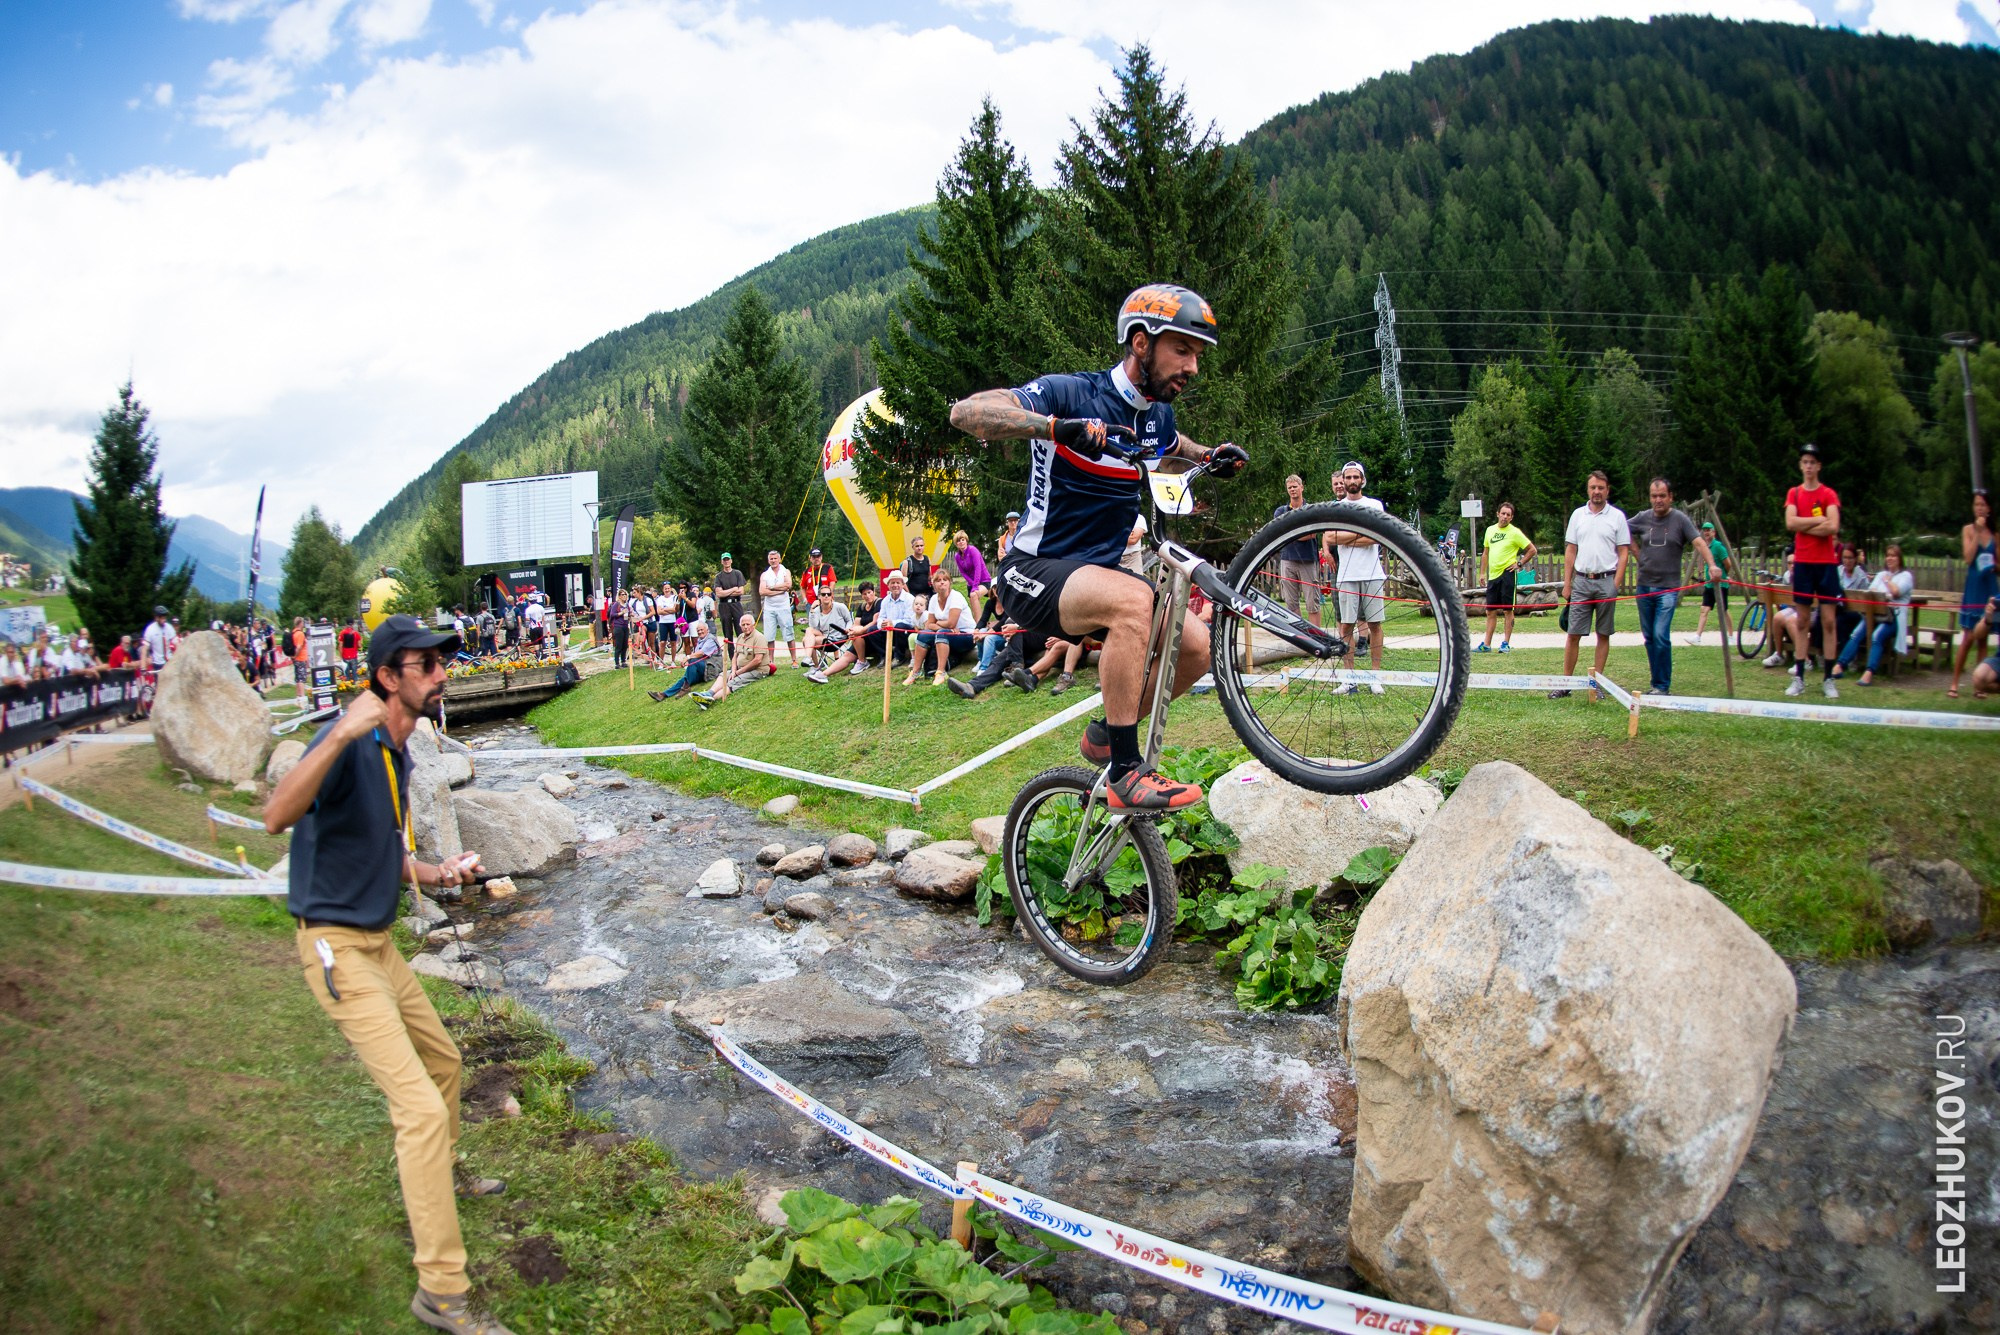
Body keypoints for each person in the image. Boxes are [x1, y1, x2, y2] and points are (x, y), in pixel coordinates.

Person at [262, 615, 514, 1335]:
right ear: (386, 676)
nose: (442, 672)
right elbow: (276, 815)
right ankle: (442, 1295)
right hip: (336, 947)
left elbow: (380, 850)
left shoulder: (396, 756)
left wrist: (437, 871)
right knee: (419, 1109)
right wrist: (340, 731)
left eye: (444, 660)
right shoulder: (348, 743)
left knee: (445, 1061)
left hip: (379, 944)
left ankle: (445, 1173)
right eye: (426, 662)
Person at [951, 282, 1246, 811]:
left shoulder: (1158, 416)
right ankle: (1125, 773)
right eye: (1183, 350)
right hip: (1034, 571)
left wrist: (1210, 455)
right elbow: (968, 413)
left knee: (1198, 647)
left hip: (1096, 578)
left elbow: (1169, 448)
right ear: (1140, 343)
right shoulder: (1070, 392)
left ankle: (1108, 736)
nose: (1193, 367)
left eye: (1198, 355)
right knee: (1135, 602)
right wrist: (1054, 428)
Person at [1626, 477, 1712, 696]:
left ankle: (1662, 686)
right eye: (1654, 496)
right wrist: (1636, 552)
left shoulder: (1680, 520)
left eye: (1662, 496)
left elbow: (1699, 542)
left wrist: (1712, 565)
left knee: (1661, 635)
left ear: (1670, 497)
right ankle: (1657, 682)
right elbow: (1621, 529)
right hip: (1644, 587)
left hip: (1668, 589)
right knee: (1649, 637)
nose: (1658, 500)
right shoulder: (1643, 518)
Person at [1551, 470, 1632, 700]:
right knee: (1573, 633)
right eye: (1593, 487)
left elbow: (1623, 552)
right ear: (1588, 490)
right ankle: (1566, 684)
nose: (1597, 492)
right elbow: (1570, 550)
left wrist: (1615, 583)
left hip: (1606, 580)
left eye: (1601, 488)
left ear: (1607, 490)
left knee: (1603, 634)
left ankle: (1596, 684)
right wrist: (1567, 584)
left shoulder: (1617, 517)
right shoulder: (1578, 515)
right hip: (1582, 582)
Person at [1783, 443, 1843, 699]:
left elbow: (1833, 527)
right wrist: (1817, 521)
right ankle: (1799, 676)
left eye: (1812, 462)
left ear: (1818, 466)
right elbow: (1790, 522)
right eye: (1805, 462)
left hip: (1826, 563)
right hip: (1804, 563)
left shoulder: (1828, 494)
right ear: (1801, 465)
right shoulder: (1794, 494)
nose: (1808, 466)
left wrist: (1805, 527)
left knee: (1829, 621)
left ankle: (1829, 678)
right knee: (1802, 620)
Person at [1327, 461, 1387, 693]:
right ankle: (1348, 678)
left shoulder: (1374, 505)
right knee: (1346, 627)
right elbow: (1330, 538)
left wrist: (1347, 536)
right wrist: (1361, 533)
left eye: (1355, 477)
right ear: (1343, 480)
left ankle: (1375, 677)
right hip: (1347, 575)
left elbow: (1378, 536)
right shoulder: (1336, 507)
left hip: (1371, 573)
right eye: (1348, 477)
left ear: (1362, 479)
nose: (1351, 481)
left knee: (1375, 625)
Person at [817, 570, 918, 679]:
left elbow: (910, 621)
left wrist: (891, 623)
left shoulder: (908, 599)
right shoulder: (882, 601)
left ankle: (898, 657)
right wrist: (881, 624)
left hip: (902, 631)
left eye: (898, 583)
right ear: (888, 585)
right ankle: (882, 656)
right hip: (877, 633)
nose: (895, 585)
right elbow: (879, 619)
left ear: (903, 584)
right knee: (870, 632)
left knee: (898, 627)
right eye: (892, 583)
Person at [1838, 545, 1915, 686]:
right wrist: (1884, 592)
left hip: (1894, 618)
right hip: (1875, 614)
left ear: (1899, 559)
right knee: (1856, 633)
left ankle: (1869, 672)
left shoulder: (1906, 576)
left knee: (1876, 636)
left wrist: (1886, 582)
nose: (1890, 558)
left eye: (1893, 556)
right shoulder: (1880, 574)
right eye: (1888, 555)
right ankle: (1840, 665)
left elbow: (1896, 592)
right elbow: (1872, 591)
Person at [1948, 490, 1995, 700]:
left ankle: (1979, 686)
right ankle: (1955, 683)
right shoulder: (1967, 530)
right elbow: (1967, 558)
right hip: (1973, 587)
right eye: (1977, 505)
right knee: (1968, 637)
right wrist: (1977, 531)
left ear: (1989, 509)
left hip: (1990, 586)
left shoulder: (1996, 534)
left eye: (1983, 505)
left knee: (1983, 639)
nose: (1980, 508)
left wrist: (1994, 566)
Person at [1475, 500, 1536, 653]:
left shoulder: (1515, 532)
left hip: (1507, 574)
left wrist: (1520, 563)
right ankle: (1486, 644)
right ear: (1497, 514)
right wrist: (1482, 572)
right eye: (1503, 513)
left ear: (1511, 517)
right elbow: (1486, 553)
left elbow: (1532, 550)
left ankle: (1505, 643)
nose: (1505, 517)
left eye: (1508, 515)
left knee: (1508, 610)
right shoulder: (1490, 530)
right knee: (1490, 610)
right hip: (1493, 575)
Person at [909, 565, 976, 686]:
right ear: (933, 584)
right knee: (923, 634)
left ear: (950, 582)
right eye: (938, 580)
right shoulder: (934, 599)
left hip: (966, 634)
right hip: (950, 632)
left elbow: (951, 623)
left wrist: (939, 624)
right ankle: (916, 671)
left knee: (942, 633)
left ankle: (941, 672)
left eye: (945, 580)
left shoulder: (956, 597)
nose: (942, 583)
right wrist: (941, 625)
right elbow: (929, 624)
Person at [696, 614, 772, 709]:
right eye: (743, 625)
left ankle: (710, 700)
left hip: (757, 671)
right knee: (723, 675)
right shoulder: (740, 637)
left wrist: (738, 672)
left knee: (734, 681)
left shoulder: (759, 637)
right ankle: (709, 693)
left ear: (753, 624)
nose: (745, 627)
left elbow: (757, 660)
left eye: (748, 624)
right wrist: (733, 670)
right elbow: (735, 656)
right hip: (739, 669)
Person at [1274, 474, 1321, 626]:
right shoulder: (1281, 511)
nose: (1293, 490)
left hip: (1308, 560)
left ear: (1302, 488)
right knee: (1291, 603)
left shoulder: (1311, 509)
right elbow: (1279, 532)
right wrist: (1298, 533)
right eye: (1290, 488)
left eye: (1295, 486)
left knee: (1312, 602)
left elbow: (1312, 534)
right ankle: (1300, 637)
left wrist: (1290, 534)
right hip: (1287, 560)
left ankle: (1318, 637)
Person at [1685, 521, 1734, 644]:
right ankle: (1698, 636)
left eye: (1708, 530)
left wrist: (1723, 574)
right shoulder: (1706, 546)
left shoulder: (1718, 546)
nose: (1706, 532)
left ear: (1714, 532)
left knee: (1724, 610)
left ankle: (1731, 636)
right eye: (1704, 530)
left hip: (1720, 584)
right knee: (1704, 609)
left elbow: (1728, 563)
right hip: (1709, 584)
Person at [649, 620, 722, 700]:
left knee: (692, 660)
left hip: (711, 670)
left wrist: (687, 657)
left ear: (707, 630)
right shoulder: (700, 640)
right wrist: (689, 659)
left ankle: (685, 688)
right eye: (698, 630)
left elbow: (701, 653)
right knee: (685, 678)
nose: (700, 632)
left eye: (702, 630)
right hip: (702, 670)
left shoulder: (710, 639)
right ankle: (664, 694)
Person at [758, 550, 800, 667]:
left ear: (779, 559)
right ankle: (771, 661)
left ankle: (794, 660)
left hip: (784, 607)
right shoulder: (765, 574)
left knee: (788, 633)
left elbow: (788, 585)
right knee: (769, 635)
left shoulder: (785, 571)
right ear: (768, 560)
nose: (773, 561)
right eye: (771, 559)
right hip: (769, 609)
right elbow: (762, 591)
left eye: (775, 558)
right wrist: (780, 591)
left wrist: (771, 588)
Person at [802, 588, 852, 671]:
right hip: (824, 636)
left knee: (805, 640)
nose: (826, 596)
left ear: (832, 596)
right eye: (823, 594)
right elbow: (813, 626)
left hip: (838, 637)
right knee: (809, 630)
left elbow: (849, 620)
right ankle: (812, 662)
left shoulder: (840, 607)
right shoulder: (817, 610)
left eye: (828, 594)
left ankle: (815, 666)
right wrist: (812, 610)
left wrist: (847, 629)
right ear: (819, 597)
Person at [950, 530, 993, 622]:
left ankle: (979, 625)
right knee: (973, 605)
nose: (961, 542)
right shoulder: (957, 556)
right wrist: (971, 583)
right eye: (958, 541)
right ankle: (979, 622)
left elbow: (978, 568)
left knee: (974, 595)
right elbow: (962, 572)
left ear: (966, 540)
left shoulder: (973, 550)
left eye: (962, 539)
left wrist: (975, 585)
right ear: (956, 544)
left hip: (983, 580)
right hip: (971, 583)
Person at [713, 554, 747, 651]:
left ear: (731, 561)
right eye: (724, 560)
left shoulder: (737, 573)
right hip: (724, 605)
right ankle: (732, 657)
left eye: (728, 559)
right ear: (721, 562)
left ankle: (742, 655)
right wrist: (733, 589)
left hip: (736, 604)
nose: (726, 561)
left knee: (740, 630)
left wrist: (726, 591)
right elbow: (719, 594)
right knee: (727, 633)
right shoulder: (719, 576)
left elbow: (741, 591)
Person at [902, 537, 934, 605]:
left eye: (921, 545)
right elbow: (902, 581)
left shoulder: (927, 559)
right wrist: (909, 595)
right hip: (913, 595)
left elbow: (929, 577)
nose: (919, 548)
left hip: (926, 595)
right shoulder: (907, 562)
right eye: (917, 546)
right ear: (913, 547)